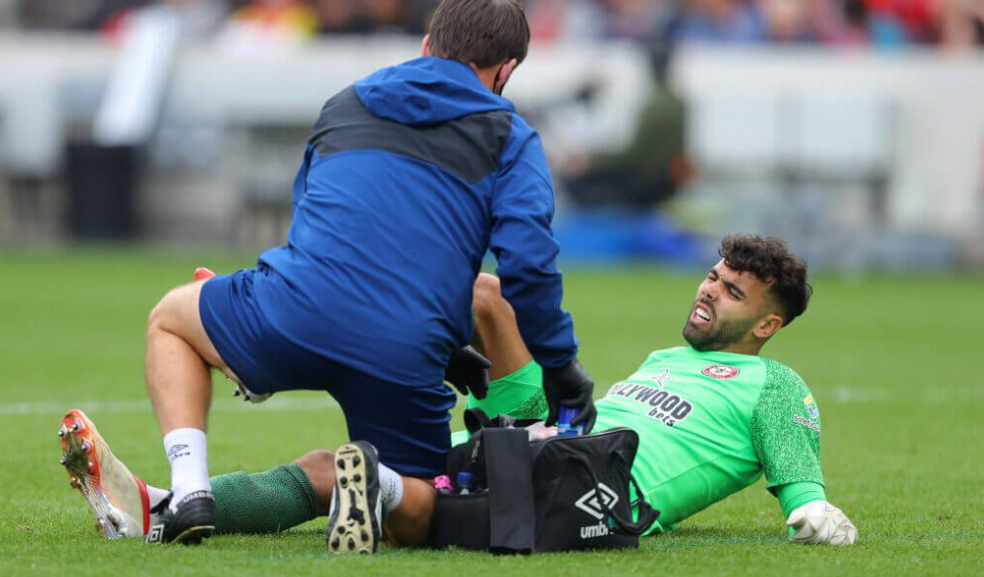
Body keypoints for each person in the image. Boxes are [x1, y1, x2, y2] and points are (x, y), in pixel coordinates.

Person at [136, 0, 594, 550]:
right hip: (403, 348)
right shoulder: (510, 136)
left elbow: (314, 224)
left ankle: (189, 488)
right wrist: (559, 364)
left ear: (427, 45)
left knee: (171, 319)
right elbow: (528, 265)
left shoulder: (346, 102)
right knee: (425, 507)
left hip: (294, 310)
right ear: (506, 70)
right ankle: (381, 483)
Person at [62, 235, 856, 548]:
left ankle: (367, 485)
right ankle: (167, 500)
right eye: (713, 276)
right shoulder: (664, 357)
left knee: (361, 478)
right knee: (482, 297)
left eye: (733, 292)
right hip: (549, 441)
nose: (709, 290)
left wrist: (814, 512)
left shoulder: (774, 385)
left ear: (768, 324)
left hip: (590, 492)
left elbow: (801, 482)